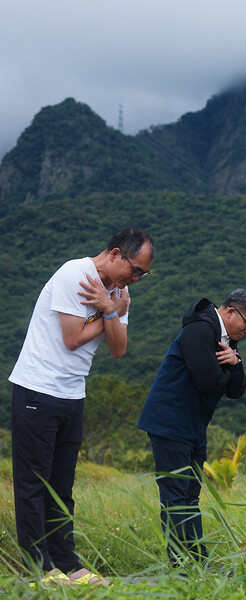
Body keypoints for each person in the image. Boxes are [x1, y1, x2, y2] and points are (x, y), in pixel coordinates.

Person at [9, 227, 154, 585]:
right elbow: (72, 338)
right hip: (38, 390)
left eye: (143, 275)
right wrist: (109, 312)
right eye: (135, 270)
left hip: (73, 394)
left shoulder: (119, 295)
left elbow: (119, 349)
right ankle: (37, 568)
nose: (136, 279)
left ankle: (67, 562)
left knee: (62, 486)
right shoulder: (75, 274)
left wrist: (112, 309)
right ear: (117, 254)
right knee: (34, 483)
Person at [138, 288, 246, 566]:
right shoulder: (199, 330)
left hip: (194, 426)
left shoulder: (227, 339)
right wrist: (227, 370)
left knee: (190, 497)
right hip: (170, 422)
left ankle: (197, 563)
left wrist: (236, 363)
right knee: (175, 498)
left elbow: (236, 390)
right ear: (231, 311)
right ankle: (179, 568)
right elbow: (208, 380)